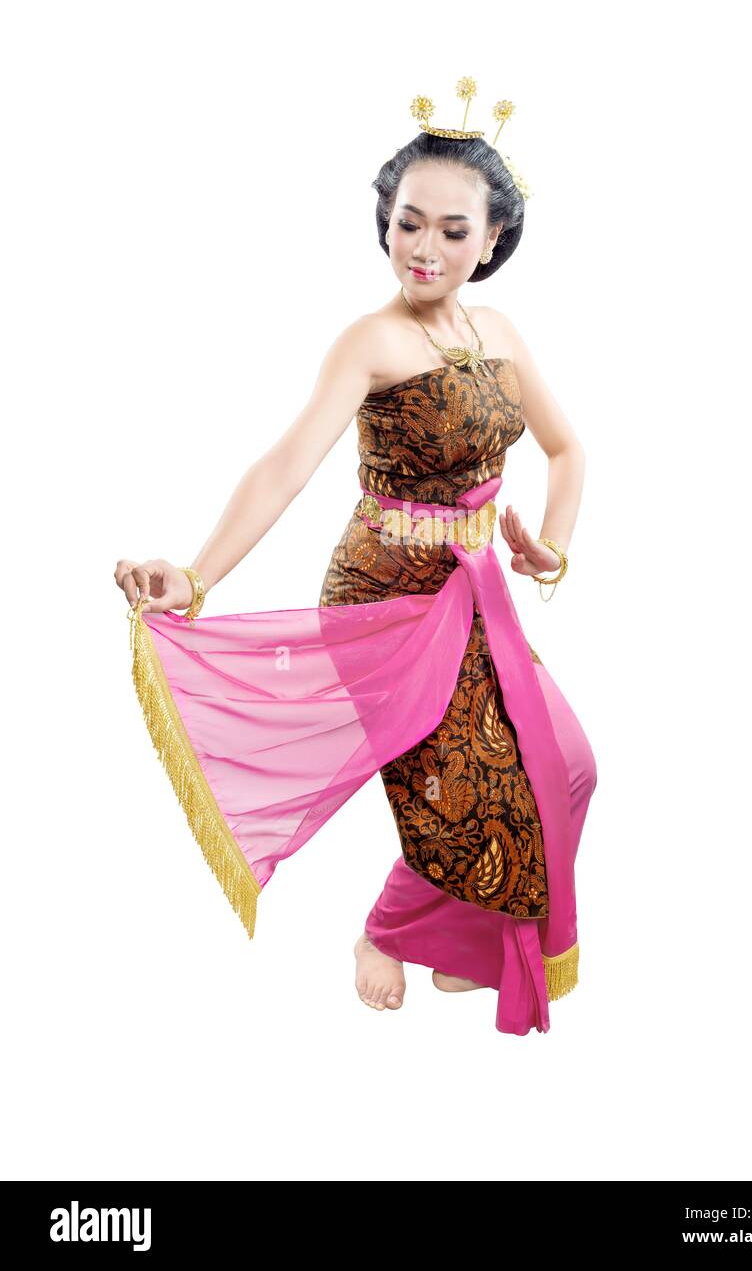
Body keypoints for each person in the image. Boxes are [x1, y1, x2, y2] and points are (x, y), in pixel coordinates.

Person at [115, 83, 598, 1036]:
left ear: (493, 238)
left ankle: (458, 940)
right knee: (459, 789)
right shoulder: (370, 341)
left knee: (566, 765)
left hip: (474, 589)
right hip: (382, 597)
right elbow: (286, 465)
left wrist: (552, 546)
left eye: (452, 231)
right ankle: (386, 933)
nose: (423, 248)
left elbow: (566, 448)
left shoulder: (498, 333)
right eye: (407, 222)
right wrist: (199, 574)